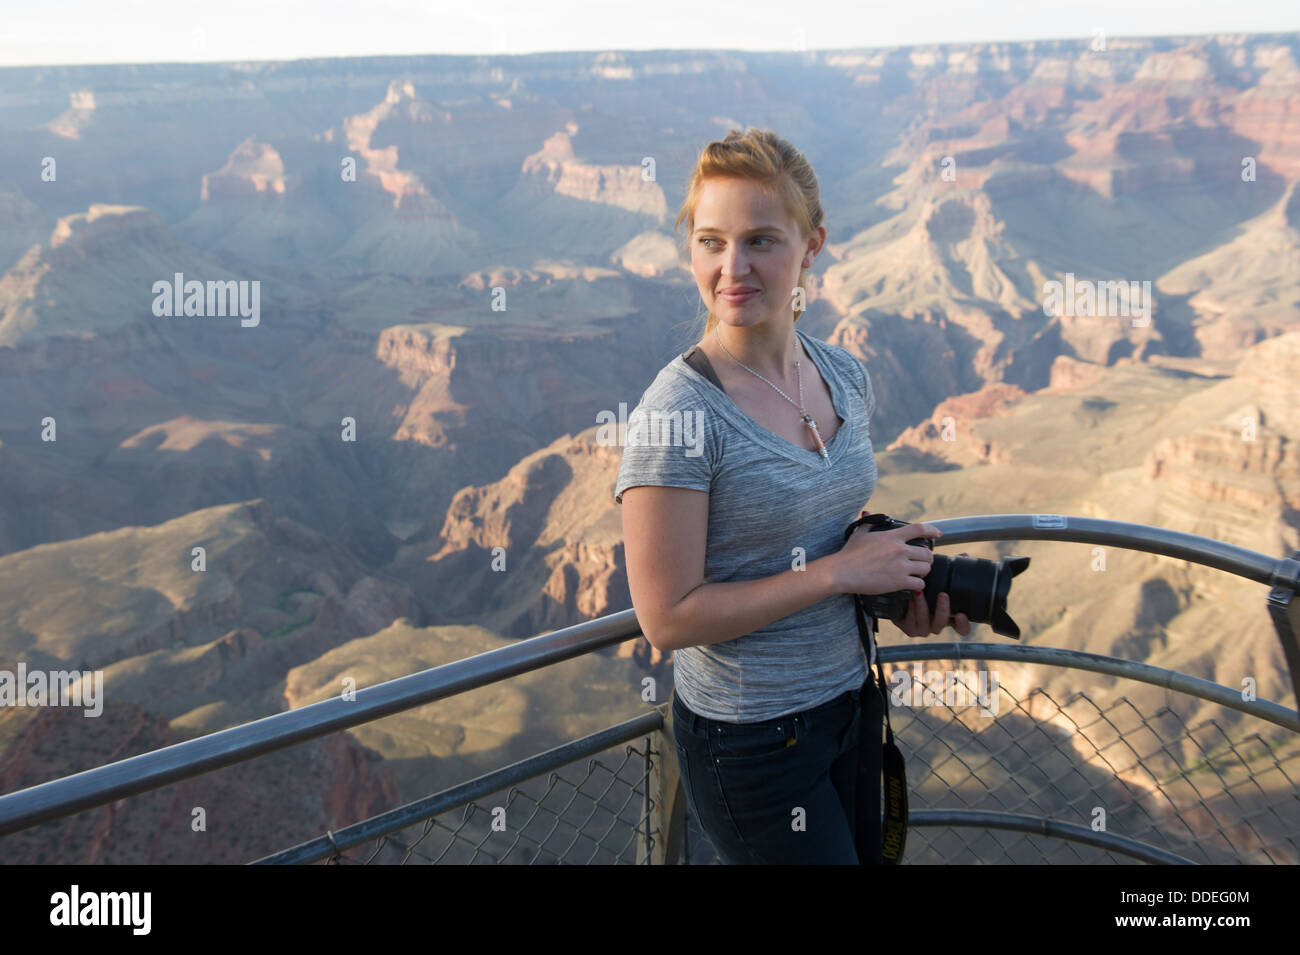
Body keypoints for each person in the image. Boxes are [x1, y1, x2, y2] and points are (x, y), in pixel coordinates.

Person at [613, 128, 972, 865]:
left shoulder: (842, 374)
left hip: (849, 705)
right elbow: (667, 616)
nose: (731, 267)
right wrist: (839, 573)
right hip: (751, 742)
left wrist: (889, 582)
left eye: (761, 241)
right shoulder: (680, 412)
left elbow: (817, 535)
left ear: (812, 245)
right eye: (710, 241)